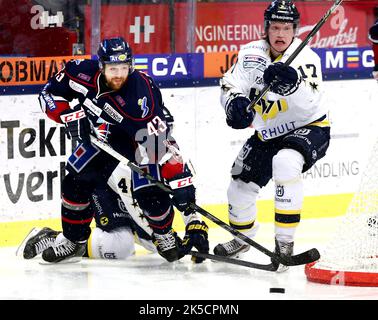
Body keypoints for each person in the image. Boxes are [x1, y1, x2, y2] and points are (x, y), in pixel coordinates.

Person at [37, 36, 209, 263]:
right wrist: (66, 115)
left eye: (124, 68)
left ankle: (164, 235)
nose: (119, 74)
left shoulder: (140, 95)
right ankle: (72, 241)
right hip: (102, 139)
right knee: (75, 183)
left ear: (131, 65)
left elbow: (163, 146)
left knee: (150, 191)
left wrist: (188, 206)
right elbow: (48, 93)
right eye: (113, 68)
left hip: (138, 141)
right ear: (101, 66)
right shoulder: (80, 72)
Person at [215, 0, 330, 271]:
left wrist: (293, 86)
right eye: (275, 27)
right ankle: (242, 239)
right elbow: (230, 84)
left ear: (295, 30)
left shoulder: (306, 58)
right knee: (239, 186)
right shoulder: (250, 53)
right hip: (269, 133)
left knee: (286, 162)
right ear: (266, 28)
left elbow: (312, 102)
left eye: (287, 28)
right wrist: (233, 103)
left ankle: (284, 245)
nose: (280, 34)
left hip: (309, 127)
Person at [17, 164, 157, 261]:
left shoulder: (163, 146)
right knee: (122, 247)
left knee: (152, 244)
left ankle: (67, 240)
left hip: (127, 183)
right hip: (107, 178)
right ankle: (59, 239)